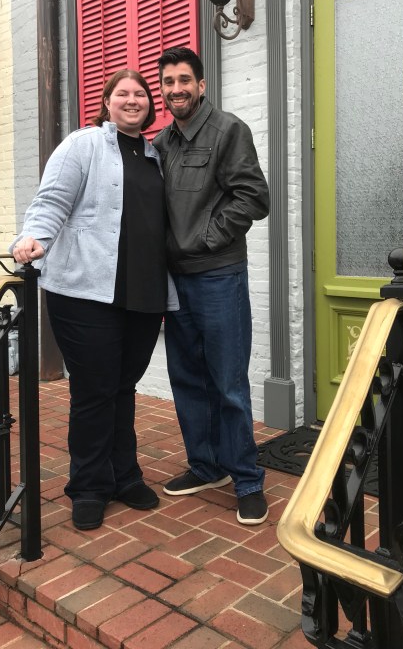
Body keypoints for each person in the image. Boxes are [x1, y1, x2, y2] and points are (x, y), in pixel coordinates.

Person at [11, 69, 178, 531]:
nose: (132, 100)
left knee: (123, 388)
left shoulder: (156, 156)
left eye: (140, 94)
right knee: (94, 391)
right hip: (86, 291)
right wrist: (34, 237)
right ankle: (88, 486)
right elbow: (51, 200)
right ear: (107, 103)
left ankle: (125, 476)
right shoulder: (83, 145)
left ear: (150, 105)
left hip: (144, 291)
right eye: (122, 93)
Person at [153, 46, 270, 525]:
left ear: (201, 85)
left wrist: (205, 238)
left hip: (219, 275)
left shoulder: (228, 130)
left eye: (185, 80)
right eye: (168, 82)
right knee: (187, 379)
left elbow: (254, 197)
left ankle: (247, 481)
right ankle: (206, 466)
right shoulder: (161, 144)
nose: (176, 89)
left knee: (228, 382)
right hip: (174, 281)